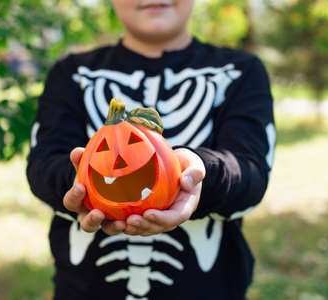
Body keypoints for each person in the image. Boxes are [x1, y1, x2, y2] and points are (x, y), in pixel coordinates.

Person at [27, 0, 276, 299]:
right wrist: (84, 181)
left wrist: (195, 174)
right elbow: (43, 165)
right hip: (84, 289)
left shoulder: (240, 72)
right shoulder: (72, 74)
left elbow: (249, 171)